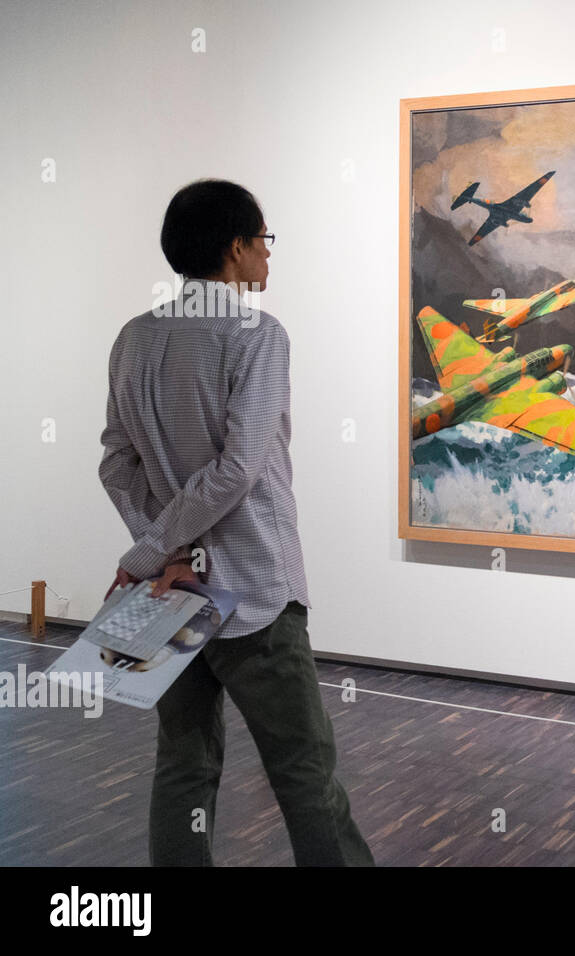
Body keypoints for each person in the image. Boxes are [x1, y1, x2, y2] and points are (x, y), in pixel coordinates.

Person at [98, 178, 374, 866]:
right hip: (255, 592)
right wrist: (165, 546)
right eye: (264, 243)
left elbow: (116, 463)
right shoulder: (258, 333)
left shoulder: (134, 338)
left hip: (170, 594)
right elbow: (240, 466)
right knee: (305, 774)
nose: (268, 260)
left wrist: (160, 551)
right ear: (235, 247)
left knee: (184, 768)